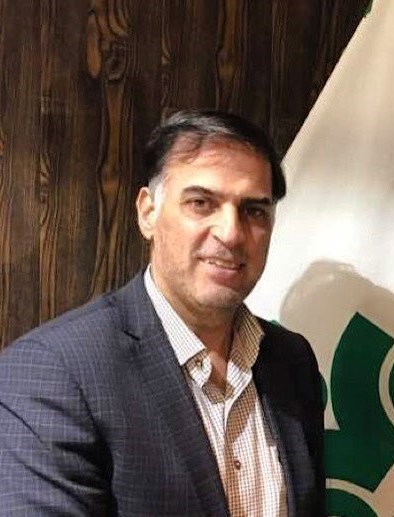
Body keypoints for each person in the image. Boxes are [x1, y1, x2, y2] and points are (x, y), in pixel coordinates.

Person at [0, 110, 324, 516]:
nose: (231, 233)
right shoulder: (53, 373)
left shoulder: (292, 361)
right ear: (148, 213)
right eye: (201, 203)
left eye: (254, 210)